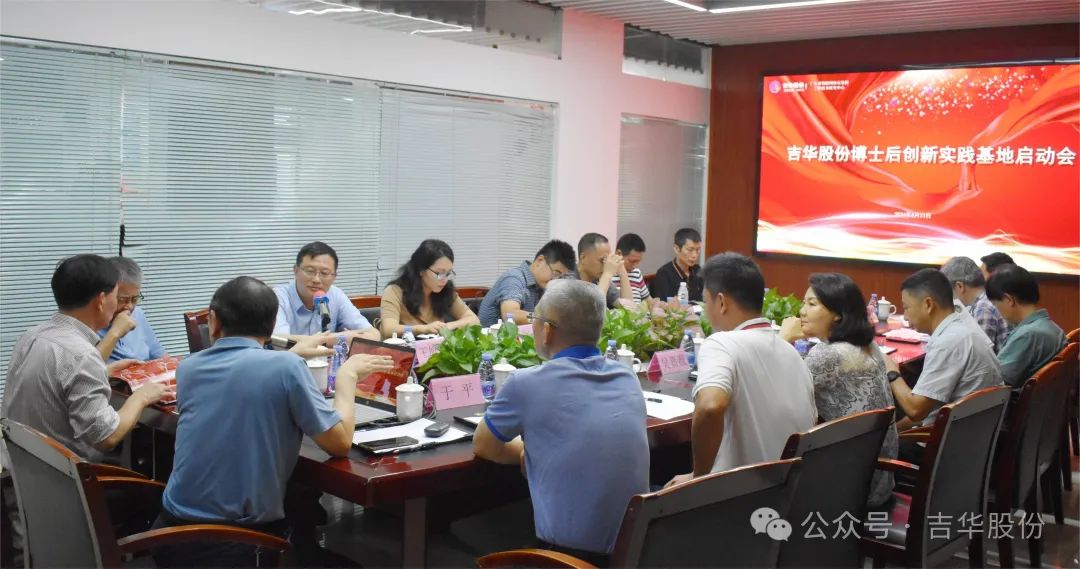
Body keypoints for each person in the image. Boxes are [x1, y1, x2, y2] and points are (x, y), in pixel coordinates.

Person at [152, 276, 394, 568]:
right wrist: (348, 376)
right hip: (234, 546)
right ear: (271, 326)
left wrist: (291, 356)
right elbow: (340, 443)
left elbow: (244, 380)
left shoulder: (189, 368)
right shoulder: (286, 367)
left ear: (213, 321)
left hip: (169, 534)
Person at [473, 280, 648, 563]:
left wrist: (525, 453)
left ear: (548, 330)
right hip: (636, 550)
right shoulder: (626, 376)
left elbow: (484, 445)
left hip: (569, 559)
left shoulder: (526, 383)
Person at [2, 254, 172, 463]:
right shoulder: (82, 355)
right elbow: (106, 437)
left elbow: (58, 382)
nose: (127, 308)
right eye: (118, 297)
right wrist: (142, 397)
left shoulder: (31, 336)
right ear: (101, 300)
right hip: (68, 474)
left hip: (22, 464)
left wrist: (104, 371)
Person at [667, 253, 816, 486]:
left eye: (706, 302)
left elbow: (710, 406)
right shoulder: (792, 353)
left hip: (738, 495)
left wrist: (698, 477)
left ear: (721, 302)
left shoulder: (721, 343)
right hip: (787, 492)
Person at [779, 273, 898, 510]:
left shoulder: (828, 355)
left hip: (849, 487)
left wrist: (783, 339)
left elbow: (776, 392)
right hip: (878, 478)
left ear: (838, 314)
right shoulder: (868, 345)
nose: (802, 311)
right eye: (803, 303)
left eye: (812, 304)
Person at [886, 269, 1002, 431]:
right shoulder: (962, 328)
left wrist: (892, 373)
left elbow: (916, 411)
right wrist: (894, 430)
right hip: (976, 432)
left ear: (928, 304)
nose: (905, 316)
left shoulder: (948, 342)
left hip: (951, 439)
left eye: (906, 307)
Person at [273, 241, 379, 342]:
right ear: (296, 271)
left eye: (324, 273)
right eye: (310, 271)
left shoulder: (336, 295)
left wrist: (328, 340)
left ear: (334, 277)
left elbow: (374, 335)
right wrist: (340, 338)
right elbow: (280, 341)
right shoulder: (277, 297)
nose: (316, 280)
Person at [986, 264, 1067, 388]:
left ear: (1009, 300)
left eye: (996, 305)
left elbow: (995, 383)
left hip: (1016, 400)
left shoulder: (1027, 335)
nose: (997, 311)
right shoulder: (1055, 329)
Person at [379, 239, 479, 338]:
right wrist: (421, 329)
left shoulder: (446, 290)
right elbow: (389, 329)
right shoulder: (395, 291)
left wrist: (448, 326)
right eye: (440, 273)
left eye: (448, 273)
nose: (444, 279)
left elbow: (474, 320)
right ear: (421, 270)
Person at [477, 240, 576, 327]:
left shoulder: (542, 286)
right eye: (556, 273)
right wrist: (545, 319)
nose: (556, 280)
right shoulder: (514, 278)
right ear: (540, 261)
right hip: (490, 340)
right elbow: (510, 315)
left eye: (560, 277)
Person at [96, 256, 166, 362]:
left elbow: (160, 356)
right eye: (122, 299)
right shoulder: (91, 324)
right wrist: (115, 332)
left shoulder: (138, 314)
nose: (129, 306)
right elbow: (90, 368)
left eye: (134, 299)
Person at [940, 256, 1010, 352]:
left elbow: (980, 354)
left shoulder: (983, 307)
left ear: (960, 286)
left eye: (949, 291)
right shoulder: (986, 299)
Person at [574, 233, 631, 309]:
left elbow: (629, 308)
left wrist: (622, 271)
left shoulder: (598, 279)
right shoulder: (567, 279)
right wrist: (607, 274)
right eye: (602, 260)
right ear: (583, 257)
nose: (605, 266)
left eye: (607, 260)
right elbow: (591, 311)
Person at [649, 227, 704, 303]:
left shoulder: (697, 270)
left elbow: (703, 300)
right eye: (690, 250)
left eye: (698, 250)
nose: (694, 255)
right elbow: (663, 305)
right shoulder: (664, 274)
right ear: (677, 249)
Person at [611, 233, 651, 304]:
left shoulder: (636, 273)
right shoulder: (608, 275)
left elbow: (648, 300)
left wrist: (658, 304)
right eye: (632, 261)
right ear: (619, 254)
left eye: (638, 261)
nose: (635, 266)